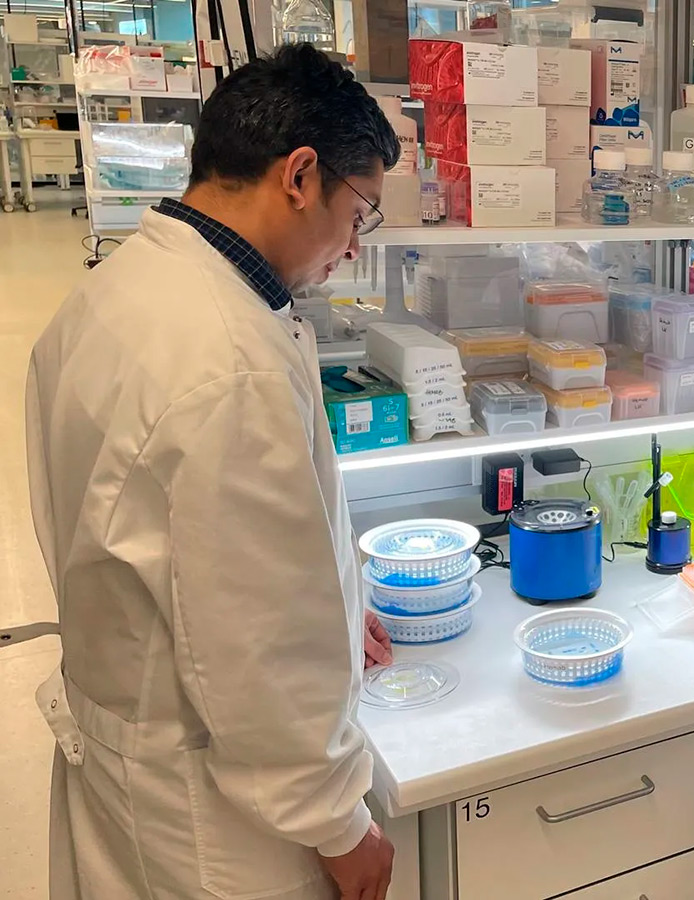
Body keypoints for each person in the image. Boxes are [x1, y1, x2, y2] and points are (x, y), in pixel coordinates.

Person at [26, 44, 401, 900]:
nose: (353, 247)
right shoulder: (228, 361)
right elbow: (257, 645)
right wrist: (340, 826)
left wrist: (338, 611)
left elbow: (183, 550)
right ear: (299, 176)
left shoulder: (120, 288)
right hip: (220, 818)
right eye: (359, 214)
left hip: (135, 739)